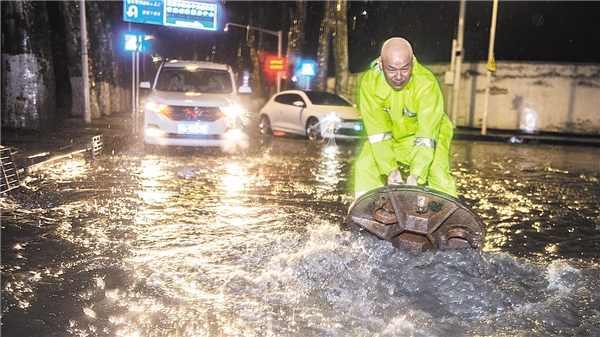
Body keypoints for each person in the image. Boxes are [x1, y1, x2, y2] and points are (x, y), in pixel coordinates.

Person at [354, 37, 457, 198]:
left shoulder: (427, 84)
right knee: (364, 166)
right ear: (381, 65)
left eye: (404, 69)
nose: (398, 76)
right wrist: (389, 169)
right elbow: (378, 133)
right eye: (391, 69)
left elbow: (427, 134)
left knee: (437, 171)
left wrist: (417, 173)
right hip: (394, 137)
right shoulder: (369, 83)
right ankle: (367, 214)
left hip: (431, 134)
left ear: (413, 62)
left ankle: (451, 218)